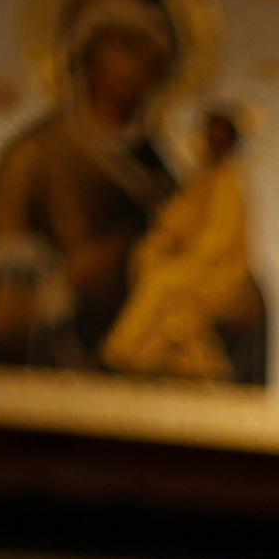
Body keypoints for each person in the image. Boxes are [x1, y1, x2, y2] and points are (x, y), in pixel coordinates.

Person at [0, 0, 267, 387]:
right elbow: (0, 325)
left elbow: (219, 270)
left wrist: (235, 303)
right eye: (128, 47)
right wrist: (70, 283)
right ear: (86, 48)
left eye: (156, 58)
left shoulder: (165, 175)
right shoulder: (31, 161)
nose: (141, 69)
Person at [101, 107, 259, 383]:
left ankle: (122, 351)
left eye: (219, 138)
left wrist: (179, 253)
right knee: (152, 267)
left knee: (163, 280)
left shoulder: (228, 182)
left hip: (217, 270)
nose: (211, 142)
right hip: (192, 262)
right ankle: (188, 361)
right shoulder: (201, 178)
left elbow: (217, 240)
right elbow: (176, 219)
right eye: (209, 135)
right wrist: (156, 244)